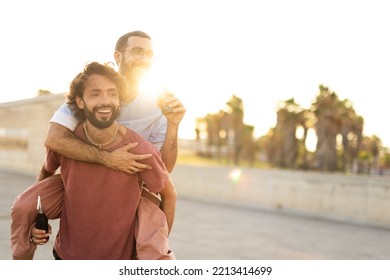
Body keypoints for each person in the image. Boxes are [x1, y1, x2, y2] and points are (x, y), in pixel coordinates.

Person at [10, 30, 184, 259]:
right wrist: (108, 158)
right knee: (24, 206)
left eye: (149, 54)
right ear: (118, 56)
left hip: (131, 181)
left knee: (157, 215)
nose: (143, 58)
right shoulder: (92, 90)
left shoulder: (159, 103)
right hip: (84, 174)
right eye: (137, 51)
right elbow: (54, 140)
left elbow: (164, 170)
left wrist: (173, 125)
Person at [41, 62, 175, 259]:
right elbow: (45, 173)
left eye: (112, 93)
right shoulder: (67, 143)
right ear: (79, 101)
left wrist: (157, 243)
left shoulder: (139, 150)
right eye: (95, 94)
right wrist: (39, 219)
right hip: (66, 255)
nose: (106, 101)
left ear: (119, 99)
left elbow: (169, 194)